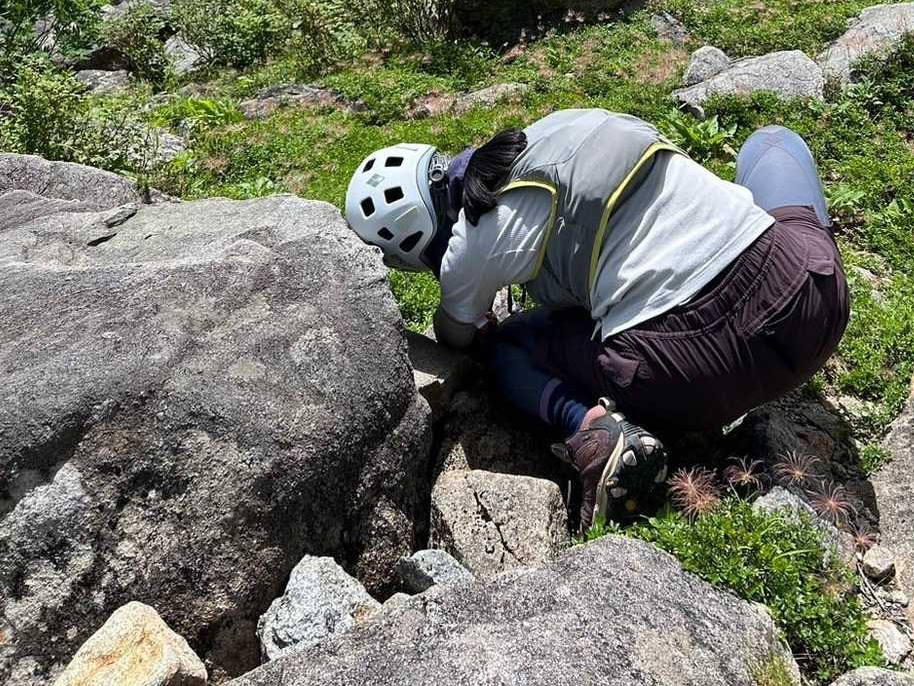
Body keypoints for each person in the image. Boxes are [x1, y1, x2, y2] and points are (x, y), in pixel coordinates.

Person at [345, 108, 849, 530]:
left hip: (692, 378)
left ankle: (589, 430)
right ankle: (798, 239)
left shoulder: (468, 246)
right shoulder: (562, 125)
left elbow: (457, 333)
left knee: (509, 345)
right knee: (772, 142)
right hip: (808, 302)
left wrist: (459, 304)